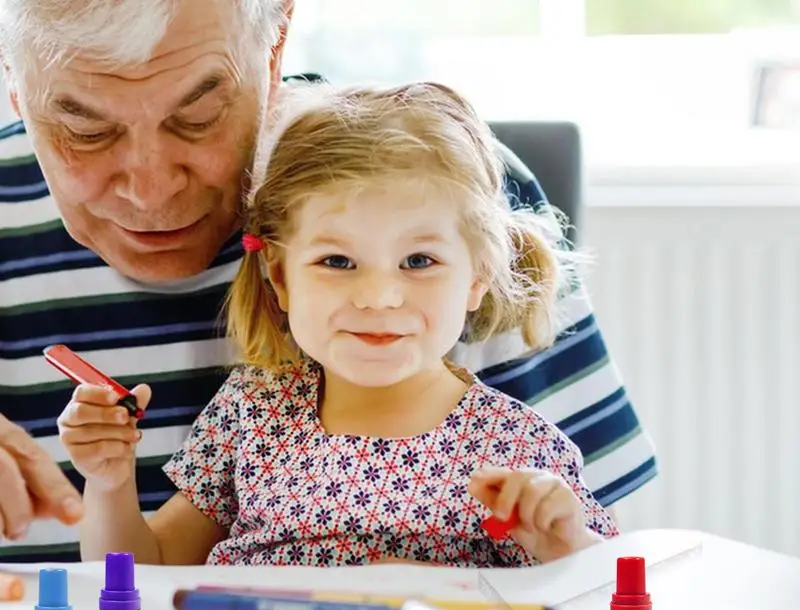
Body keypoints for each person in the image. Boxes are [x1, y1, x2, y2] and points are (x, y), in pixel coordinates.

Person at [0, 0, 656, 562]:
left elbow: (607, 568)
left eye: (198, 116)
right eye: (85, 128)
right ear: (14, 86)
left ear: (275, 39)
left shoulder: (442, 180)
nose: (150, 190)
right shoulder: (254, 414)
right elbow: (145, 565)